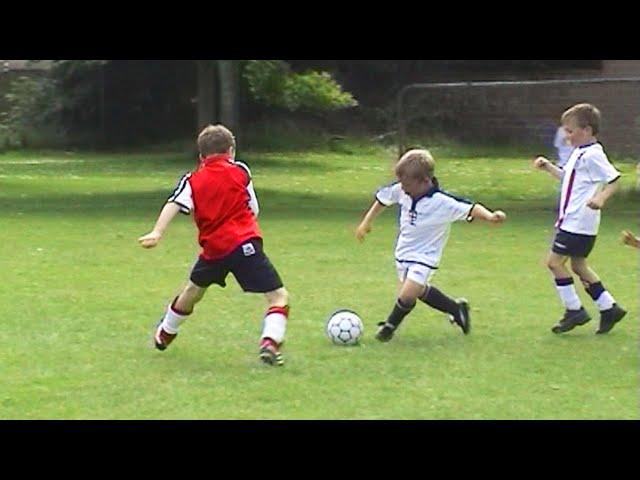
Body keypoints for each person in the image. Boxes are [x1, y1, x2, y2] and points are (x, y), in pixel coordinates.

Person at [138, 124, 290, 366]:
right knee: (277, 297)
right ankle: (270, 342)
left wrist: (157, 232)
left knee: (192, 292)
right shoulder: (240, 171)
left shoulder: (193, 180)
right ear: (231, 151)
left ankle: (165, 333)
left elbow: (174, 203)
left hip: (214, 250)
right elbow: (254, 208)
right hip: (244, 243)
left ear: (201, 157)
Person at [355, 149, 507, 342]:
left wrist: (491, 216)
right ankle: (456, 308)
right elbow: (382, 200)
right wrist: (366, 223)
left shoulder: (442, 202)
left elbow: (470, 207)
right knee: (417, 292)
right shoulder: (402, 190)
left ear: (425, 180)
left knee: (407, 294)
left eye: (407, 184)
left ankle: (389, 327)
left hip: (426, 255)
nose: (403, 188)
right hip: (403, 252)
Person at [533, 103, 626, 334]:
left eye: (570, 131)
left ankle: (574, 310)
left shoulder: (594, 154)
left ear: (586, 130)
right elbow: (568, 178)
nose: (566, 135)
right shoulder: (580, 153)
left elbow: (614, 179)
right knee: (579, 266)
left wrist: (601, 198)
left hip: (578, 221)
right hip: (576, 222)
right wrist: (548, 167)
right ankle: (609, 308)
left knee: (554, 263)